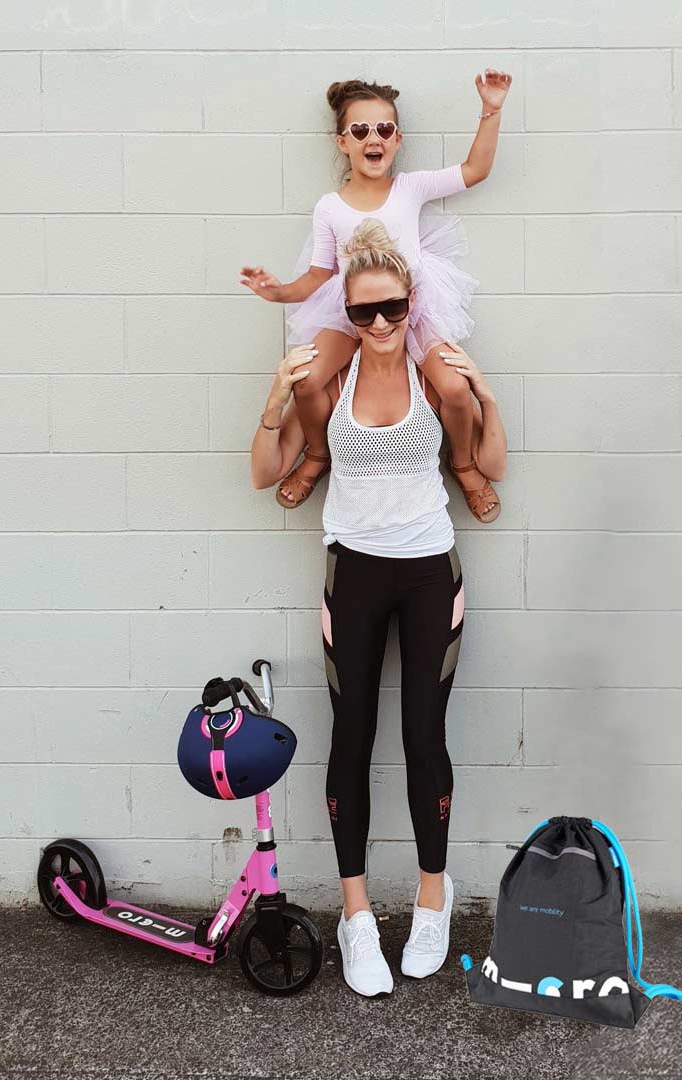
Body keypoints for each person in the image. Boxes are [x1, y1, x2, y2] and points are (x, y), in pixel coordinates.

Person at [250, 217, 507, 998]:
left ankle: (434, 897)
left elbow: (490, 462)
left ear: (411, 299)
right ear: (347, 316)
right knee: (351, 737)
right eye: (363, 313)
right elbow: (266, 472)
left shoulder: (439, 380)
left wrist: (485, 392)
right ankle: (357, 918)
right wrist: (273, 399)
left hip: (431, 573)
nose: (381, 324)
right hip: (353, 576)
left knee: (423, 737)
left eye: (392, 307)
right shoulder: (329, 386)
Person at [241, 73, 511, 522]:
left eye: (384, 129)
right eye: (361, 130)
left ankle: (462, 463)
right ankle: (317, 453)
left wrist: (492, 110)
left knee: (455, 389)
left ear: (397, 139)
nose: (374, 138)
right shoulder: (331, 206)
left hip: (414, 308)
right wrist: (279, 293)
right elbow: (319, 274)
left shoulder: (410, 188)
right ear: (342, 141)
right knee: (307, 382)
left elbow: (474, 170)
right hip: (352, 310)